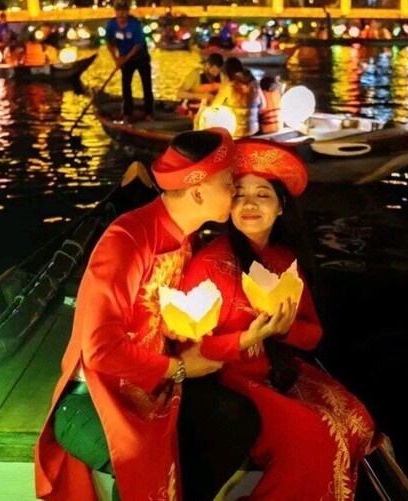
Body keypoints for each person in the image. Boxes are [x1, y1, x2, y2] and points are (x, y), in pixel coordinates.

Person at [35, 128, 260, 501]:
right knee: (149, 458)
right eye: (229, 182)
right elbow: (100, 351)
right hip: (90, 399)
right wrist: (180, 369)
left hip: (152, 390)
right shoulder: (127, 239)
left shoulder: (189, 238)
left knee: (238, 419)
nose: (235, 189)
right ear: (198, 191)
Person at [180, 139, 378, 500]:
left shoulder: (285, 259)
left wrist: (283, 329)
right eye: (239, 194)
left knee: (355, 417)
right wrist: (248, 336)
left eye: (263, 195)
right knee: (315, 435)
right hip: (229, 380)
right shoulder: (210, 263)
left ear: (281, 206)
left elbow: (312, 335)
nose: (250, 204)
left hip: (277, 370)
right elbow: (191, 346)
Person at [105, 2, 154, 121]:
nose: (121, 14)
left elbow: (138, 45)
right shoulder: (111, 25)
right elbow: (109, 43)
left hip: (140, 56)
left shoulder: (135, 24)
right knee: (126, 84)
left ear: (127, 12)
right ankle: (127, 112)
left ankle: (149, 112)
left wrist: (125, 58)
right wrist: (116, 59)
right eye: (119, 11)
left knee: (146, 84)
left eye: (124, 11)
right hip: (123, 56)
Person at [209, 57, 261, 138]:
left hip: (235, 132)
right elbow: (263, 105)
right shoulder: (255, 84)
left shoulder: (229, 86)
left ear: (226, 72)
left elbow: (214, 107)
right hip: (253, 130)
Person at [176, 52, 225, 117]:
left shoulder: (222, 76)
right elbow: (180, 94)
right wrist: (200, 96)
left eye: (217, 72)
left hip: (213, 110)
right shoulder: (195, 75)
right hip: (195, 110)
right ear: (207, 65)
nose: (215, 75)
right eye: (213, 71)